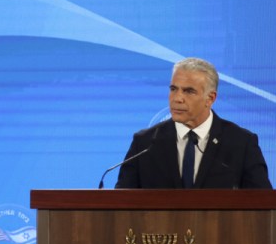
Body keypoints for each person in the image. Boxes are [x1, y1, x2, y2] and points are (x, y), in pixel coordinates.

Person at [115, 57, 272, 189]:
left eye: (189, 91)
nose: (177, 98)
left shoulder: (241, 143)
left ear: (210, 98)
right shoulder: (144, 143)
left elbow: (263, 206)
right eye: (173, 89)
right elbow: (121, 204)